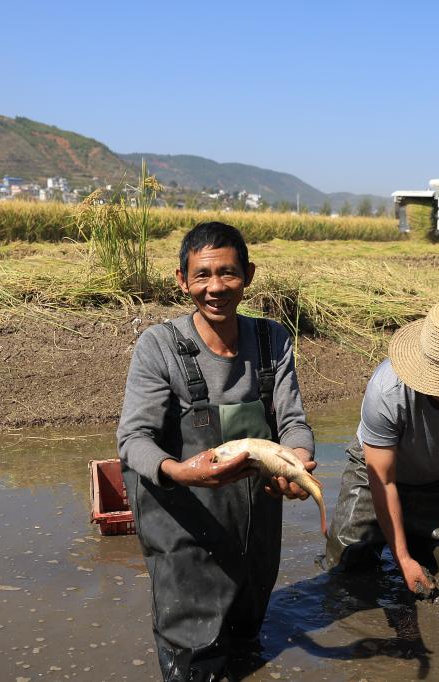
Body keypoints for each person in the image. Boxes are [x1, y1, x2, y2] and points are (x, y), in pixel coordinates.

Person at [117, 221, 316, 681]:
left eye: (227, 273)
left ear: (248, 274)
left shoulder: (273, 340)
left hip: (256, 518)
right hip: (183, 517)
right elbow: (133, 441)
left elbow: (292, 423)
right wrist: (183, 472)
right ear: (182, 280)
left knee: (247, 636)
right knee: (195, 654)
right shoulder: (159, 346)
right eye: (202, 276)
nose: (215, 287)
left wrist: (298, 461)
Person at [321, 300, 439, 596]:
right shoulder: (387, 390)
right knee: (346, 569)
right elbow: (383, 479)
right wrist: (402, 558)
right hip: (373, 473)